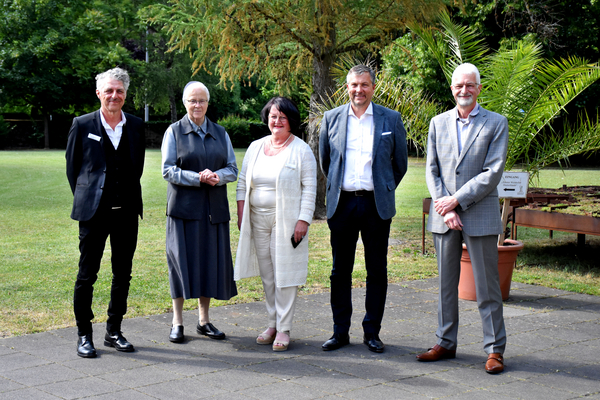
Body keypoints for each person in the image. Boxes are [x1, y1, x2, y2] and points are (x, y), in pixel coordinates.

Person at [417, 63, 509, 374]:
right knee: (446, 285)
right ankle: (445, 342)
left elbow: (493, 172)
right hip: (445, 217)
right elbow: (432, 170)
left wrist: (456, 200)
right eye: (459, 85)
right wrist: (447, 209)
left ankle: (494, 349)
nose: (464, 90)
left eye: (470, 85)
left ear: (479, 88)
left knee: (487, 287)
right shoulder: (437, 123)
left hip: (479, 214)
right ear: (452, 89)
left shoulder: (496, 123)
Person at [319, 65, 408, 353]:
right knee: (339, 271)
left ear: (373, 87)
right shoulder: (331, 118)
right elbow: (326, 161)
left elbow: (400, 164)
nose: (359, 90)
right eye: (354, 85)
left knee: (377, 270)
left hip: (375, 205)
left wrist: (383, 188)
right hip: (342, 204)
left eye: (364, 84)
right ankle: (339, 332)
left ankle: (372, 332)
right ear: (347, 87)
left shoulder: (391, 119)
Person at [66, 67, 145, 358]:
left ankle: (114, 331)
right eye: (109, 90)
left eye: (119, 91)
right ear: (99, 93)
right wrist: (90, 198)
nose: (114, 95)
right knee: (87, 275)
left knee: (122, 274)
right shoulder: (82, 124)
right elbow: (73, 169)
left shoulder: (135, 125)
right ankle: (84, 335)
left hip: (126, 212)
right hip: (93, 214)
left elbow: (136, 167)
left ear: (125, 94)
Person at [235, 97, 317, 351]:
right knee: (268, 274)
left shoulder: (301, 149)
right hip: (257, 219)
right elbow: (242, 183)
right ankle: (272, 323)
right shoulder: (255, 147)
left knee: (285, 274)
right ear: (267, 118)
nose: (277, 121)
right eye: (273, 116)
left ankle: (284, 328)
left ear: (291, 120)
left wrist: (303, 220)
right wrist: (241, 213)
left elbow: (310, 187)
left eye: (283, 117)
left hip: (287, 221)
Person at [161, 81, 238, 343]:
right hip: (183, 211)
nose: (197, 105)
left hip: (213, 211)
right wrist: (198, 178)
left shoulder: (220, 132)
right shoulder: (174, 132)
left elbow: (232, 169)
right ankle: (177, 322)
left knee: (208, 263)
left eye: (202, 100)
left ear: (208, 103)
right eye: (192, 101)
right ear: (185, 103)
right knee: (180, 264)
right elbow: (168, 170)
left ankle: (204, 321)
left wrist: (217, 176)